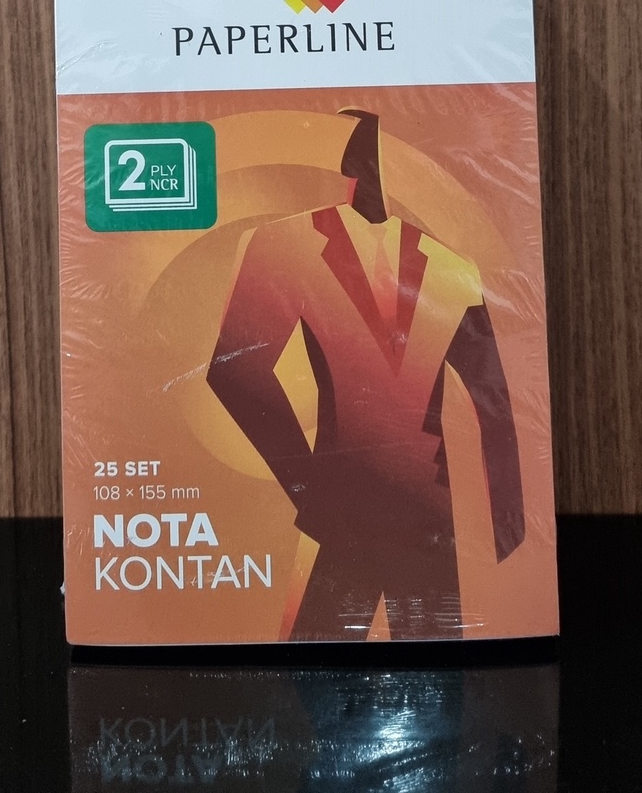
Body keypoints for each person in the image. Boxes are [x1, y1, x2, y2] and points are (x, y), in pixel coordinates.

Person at [207, 108, 524, 640]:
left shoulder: (454, 268)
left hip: (428, 520)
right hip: (342, 512)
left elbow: (491, 399)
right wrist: (309, 487)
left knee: (438, 668)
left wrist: (508, 526)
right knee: (314, 669)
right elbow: (235, 372)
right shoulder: (286, 244)